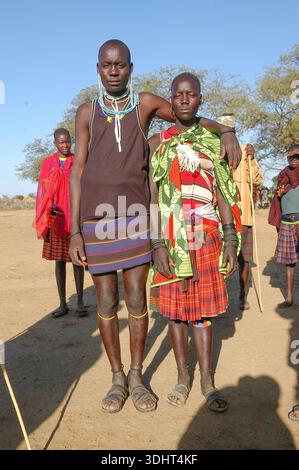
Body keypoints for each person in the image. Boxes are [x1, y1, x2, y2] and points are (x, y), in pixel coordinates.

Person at [69, 39, 242, 414]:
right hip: (96, 221)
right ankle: (116, 377)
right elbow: (78, 169)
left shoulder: (145, 104)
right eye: (106, 65)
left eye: (120, 65)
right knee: (106, 302)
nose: (113, 71)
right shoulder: (87, 112)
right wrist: (74, 230)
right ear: (98, 68)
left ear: (131, 67)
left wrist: (226, 132)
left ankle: (136, 375)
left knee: (135, 300)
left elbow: (189, 119)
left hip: (136, 218)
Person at [149, 73, 242, 412]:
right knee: (174, 314)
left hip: (207, 235)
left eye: (191, 94)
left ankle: (206, 382)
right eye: (178, 94)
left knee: (202, 314)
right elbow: (153, 193)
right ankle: (182, 378)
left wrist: (230, 239)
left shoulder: (214, 142)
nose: (184, 99)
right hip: (171, 238)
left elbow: (222, 193)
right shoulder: (158, 142)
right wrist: (157, 243)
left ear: (201, 99)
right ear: (170, 101)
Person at [34, 128, 87, 318]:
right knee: (59, 262)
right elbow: (43, 192)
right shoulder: (48, 163)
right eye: (61, 142)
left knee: (77, 259)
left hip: (75, 217)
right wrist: (43, 220)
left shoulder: (78, 161)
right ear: (55, 143)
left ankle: (80, 302)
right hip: (56, 217)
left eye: (68, 142)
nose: (65, 145)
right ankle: (63, 303)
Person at [217, 114, 263, 311]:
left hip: (242, 215)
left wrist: (252, 159)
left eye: (230, 127)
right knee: (217, 259)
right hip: (217, 217)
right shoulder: (211, 148)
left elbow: (258, 180)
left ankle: (242, 297)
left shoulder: (245, 151)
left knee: (244, 259)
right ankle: (218, 298)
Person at [268, 144, 299, 307]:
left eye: (297, 157)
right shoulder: (283, 179)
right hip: (287, 223)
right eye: (291, 157)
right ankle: (289, 297)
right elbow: (277, 204)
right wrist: (279, 194)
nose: (294, 160)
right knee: (290, 263)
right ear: (287, 159)